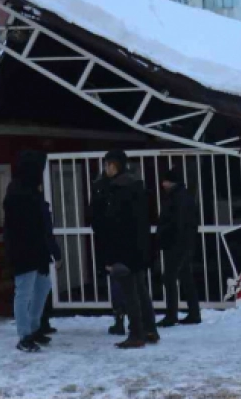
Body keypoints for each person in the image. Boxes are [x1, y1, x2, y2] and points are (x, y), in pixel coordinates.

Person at [98, 150, 158, 349]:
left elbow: (114, 224)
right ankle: (150, 329)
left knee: (130, 292)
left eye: (107, 165)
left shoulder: (117, 189)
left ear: (113, 166)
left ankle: (136, 333)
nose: (105, 169)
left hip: (124, 249)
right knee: (140, 290)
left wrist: (111, 255)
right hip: (139, 248)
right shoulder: (137, 187)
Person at [4, 151, 54, 353]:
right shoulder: (18, 193)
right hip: (24, 250)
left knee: (42, 288)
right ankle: (24, 335)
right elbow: (24, 226)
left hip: (36, 249)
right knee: (24, 292)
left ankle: (33, 328)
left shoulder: (28, 190)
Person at [157, 166, 201, 327]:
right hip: (184, 243)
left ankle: (171, 315)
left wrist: (166, 236)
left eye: (165, 181)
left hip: (177, 244)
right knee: (185, 277)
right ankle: (193, 313)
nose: (163, 184)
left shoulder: (177, 197)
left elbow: (177, 222)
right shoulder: (183, 196)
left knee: (169, 278)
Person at [90, 162, 126, 336]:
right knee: (126, 282)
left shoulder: (101, 191)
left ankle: (120, 318)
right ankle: (125, 318)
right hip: (117, 242)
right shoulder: (122, 188)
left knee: (117, 281)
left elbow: (94, 217)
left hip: (110, 243)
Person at [38, 198, 63, 336]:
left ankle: (40, 323)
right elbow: (48, 234)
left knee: (35, 291)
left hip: (28, 256)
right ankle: (42, 323)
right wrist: (57, 255)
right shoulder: (42, 207)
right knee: (43, 289)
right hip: (41, 255)